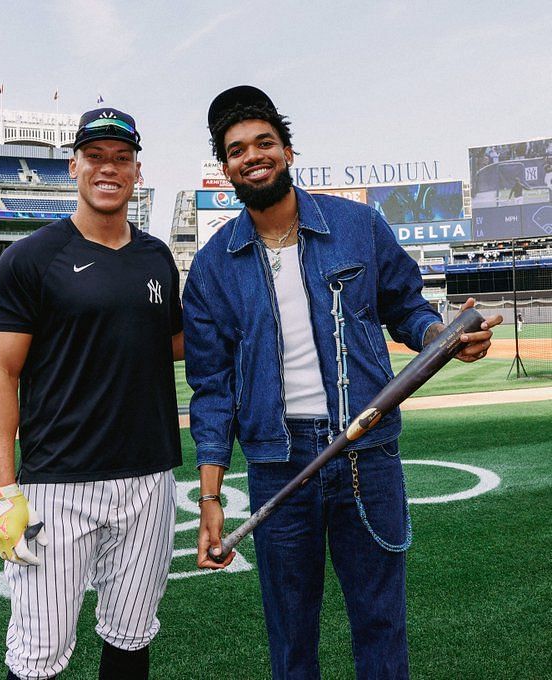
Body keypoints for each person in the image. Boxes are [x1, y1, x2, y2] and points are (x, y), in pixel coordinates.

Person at [183, 85, 502, 680]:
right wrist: (209, 498)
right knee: (291, 636)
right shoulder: (211, 265)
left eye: (265, 142)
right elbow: (212, 390)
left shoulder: (358, 225)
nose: (253, 155)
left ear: (287, 150)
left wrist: (442, 336)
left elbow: (407, 307)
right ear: (224, 167)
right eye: (236, 149)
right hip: (277, 462)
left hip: (367, 454)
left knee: (380, 626)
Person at [0, 107, 184, 680]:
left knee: (131, 634)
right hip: (57, 484)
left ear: (137, 171)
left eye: (122, 158)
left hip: (149, 477)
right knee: (38, 653)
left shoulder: (156, 256)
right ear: (74, 166)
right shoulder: (32, 257)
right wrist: (1, 490)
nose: (108, 168)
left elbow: (172, 342)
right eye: (95, 157)